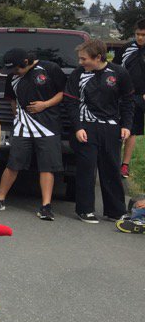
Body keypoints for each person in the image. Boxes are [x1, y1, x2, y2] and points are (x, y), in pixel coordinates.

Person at [0, 48, 67, 220]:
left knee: (47, 166)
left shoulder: (50, 68)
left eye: (16, 68)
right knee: (13, 163)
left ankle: (46, 206)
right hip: (23, 126)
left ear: (26, 62)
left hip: (48, 126)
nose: (14, 72)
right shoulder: (12, 77)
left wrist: (45, 105)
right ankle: (0, 199)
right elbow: (11, 99)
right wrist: (16, 113)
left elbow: (62, 93)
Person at [64, 38, 135, 223]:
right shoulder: (78, 75)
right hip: (86, 127)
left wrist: (127, 125)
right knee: (86, 169)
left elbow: (128, 101)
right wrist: (77, 127)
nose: (80, 63)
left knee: (111, 168)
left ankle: (115, 211)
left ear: (98, 57)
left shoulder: (119, 73)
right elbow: (70, 103)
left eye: (84, 59)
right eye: (79, 59)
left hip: (111, 127)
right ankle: (85, 209)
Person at [120, 20, 145, 178]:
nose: (140, 38)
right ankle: (112, 160)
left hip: (139, 97)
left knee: (132, 131)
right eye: (138, 34)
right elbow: (115, 67)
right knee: (118, 128)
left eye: (143, 35)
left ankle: (125, 165)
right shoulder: (126, 48)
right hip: (121, 95)